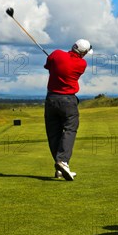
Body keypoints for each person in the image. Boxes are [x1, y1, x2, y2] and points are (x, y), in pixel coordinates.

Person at [44, 39, 92, 181]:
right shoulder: (82, 64)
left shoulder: (56, 54)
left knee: (53, 133)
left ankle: (61, 167)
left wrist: (54, 61)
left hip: (51, 99)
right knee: (70, 129)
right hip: (68, 101)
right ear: (83, 53)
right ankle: (63, 162)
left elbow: (49, 66)